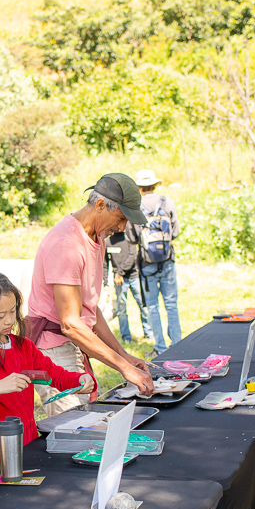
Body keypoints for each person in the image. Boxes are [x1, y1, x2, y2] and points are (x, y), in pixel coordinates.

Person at [26, 173, 154, 417]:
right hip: (54, 348)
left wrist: (124, 356)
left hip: (73, 342)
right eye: (120, 218)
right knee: (74, 428)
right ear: (100, 205)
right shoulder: (66, 244)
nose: (122, 228)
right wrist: (123, 367)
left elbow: (90, 310)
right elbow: (71, 325)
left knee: (84, 423)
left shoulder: (96, 236)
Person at [0, 271, 94, 469]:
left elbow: (54, 375)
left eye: (12, 311)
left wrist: (81, 379)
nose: (8, 321)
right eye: (0, 315)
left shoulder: (24, 346)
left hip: (28, 442)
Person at [128, 169, 181, 354]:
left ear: (140, 187)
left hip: (146, 263)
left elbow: (132, 237)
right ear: (154, 184)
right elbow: (175, 233)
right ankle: (177, 344)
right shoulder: (167, 203)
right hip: (167, 259)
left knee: (152, 306)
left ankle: (160, 347)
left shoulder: (136, 207)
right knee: (171, 304)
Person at [104, 230, 152, 343]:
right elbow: (104, 264)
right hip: (119, 281)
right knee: (122, 309)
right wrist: (105, 282)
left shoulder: (129, 238)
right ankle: (126, 337)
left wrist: (119, 272)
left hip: (133, 277)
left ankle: (149, 334)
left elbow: (132, 257)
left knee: (143, 305)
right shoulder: (107, 242)